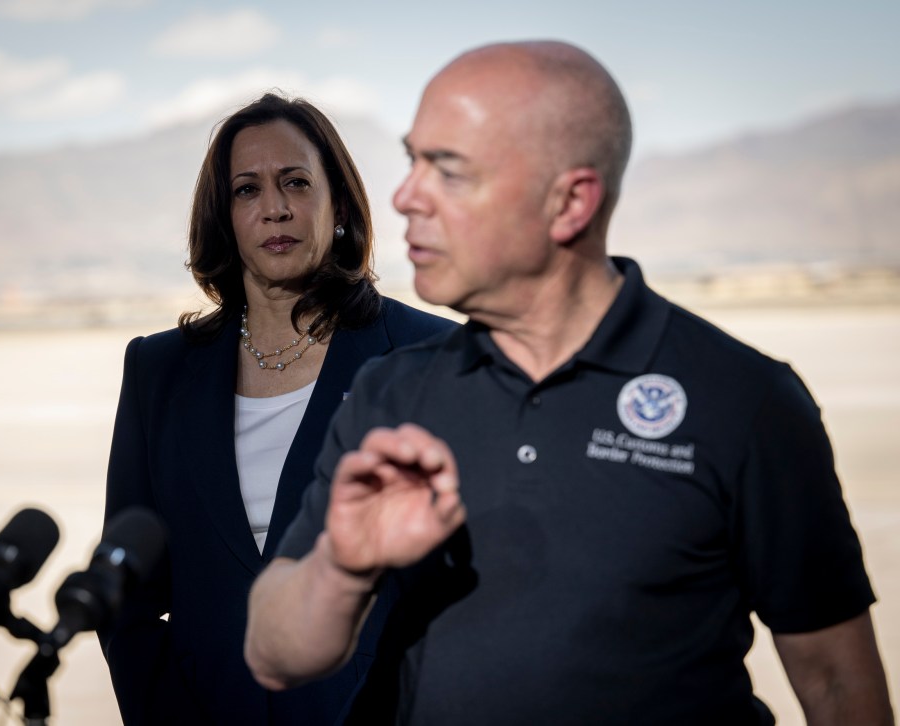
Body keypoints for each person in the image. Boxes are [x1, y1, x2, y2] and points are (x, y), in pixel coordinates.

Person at [244, 42, 895, 725]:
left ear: (570, 203)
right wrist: (343, 568)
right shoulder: (392, 394)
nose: (406, 197)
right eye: (413, 160)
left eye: (450, 170)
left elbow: (834, 683)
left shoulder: (747, 401)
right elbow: (273, 656)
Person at [98, 93, 455, 725]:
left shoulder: (430, 357)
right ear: (224, 216)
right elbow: (126, 592)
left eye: (296, 182)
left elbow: (465, 587)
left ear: (338, 205)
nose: (275, 208)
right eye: (246, 190)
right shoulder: (158, 371)